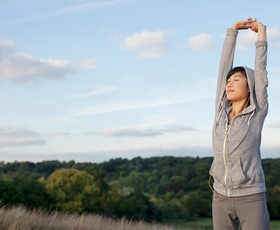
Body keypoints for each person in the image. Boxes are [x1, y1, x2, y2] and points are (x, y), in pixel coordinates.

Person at [208, 18, 270, 230]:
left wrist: (261, 32)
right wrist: (232, 31)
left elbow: (260, 71)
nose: (229, 83)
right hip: (220, 196)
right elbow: (223, 67)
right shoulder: (220, 111)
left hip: (251, 196)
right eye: (229, 80)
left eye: (236, 79)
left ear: (250, 86)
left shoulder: (257, 112)